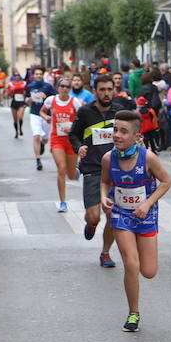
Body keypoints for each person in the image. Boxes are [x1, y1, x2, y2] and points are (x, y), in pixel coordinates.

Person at [99, 110, 171, 332]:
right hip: (122, 215)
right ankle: (133, 313)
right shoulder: (108, 158)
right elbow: (104, 182)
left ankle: (142, 258)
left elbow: (166, 182)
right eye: (115, 130)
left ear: (136, 135)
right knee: (131, 264)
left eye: (124, 131)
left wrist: (147, 204)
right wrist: (103, 197)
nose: (117, 135)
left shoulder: (147, 157)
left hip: (146, 216)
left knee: (148, 271)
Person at [69, 74, 123, 268]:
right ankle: (91, 224)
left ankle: (105, 252)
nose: (106, 93)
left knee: (112, 214)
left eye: (110, 89)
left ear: (114, 90)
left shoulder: (120, 111)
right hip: (93, 167)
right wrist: (79, 147)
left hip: (117, 168)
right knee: (94, 215)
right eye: (102, 89)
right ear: (95, 91)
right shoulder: (85, 112)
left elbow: (131, 132)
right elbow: (73, 134)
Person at [40, 77, 83, 212]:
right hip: (57, 139)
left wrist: (73, 127)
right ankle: (63, 202)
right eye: (62, 86)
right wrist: (46, 117)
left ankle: (76, 169)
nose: (65, 89)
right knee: (61, 168)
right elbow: (42, 111)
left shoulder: (75, 102)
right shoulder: (51, 100)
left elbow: (82, 118)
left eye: (67, 87)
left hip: (71, 140)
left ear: (70, 89)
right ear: (58, 87)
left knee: (71, 175)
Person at [24, 67, 57, 171]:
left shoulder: (48, 86)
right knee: (36, 136)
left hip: (46, 115)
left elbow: (55, 99)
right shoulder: (30, 86)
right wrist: (29, 99)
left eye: (40, 74)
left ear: (43, 75)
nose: (38, 76)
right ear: (33, 75)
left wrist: (46, 97)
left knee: (45, 138)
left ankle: (42, 144)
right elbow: (26, 100)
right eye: (36, 74)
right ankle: (38, 160)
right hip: (34, 114)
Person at [7, 70, 27, 138]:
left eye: (18, 75)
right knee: (15, 119)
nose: (17, 76)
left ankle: (20, 128)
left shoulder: (24, 83)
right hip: (14, 102)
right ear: (14, 77)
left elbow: (27, 91)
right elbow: (8, 94)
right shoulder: (11, 84)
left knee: (20, 117)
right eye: (15, 75)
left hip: (21, 101)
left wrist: (25, 94)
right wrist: (11, 91)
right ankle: (16, 132)